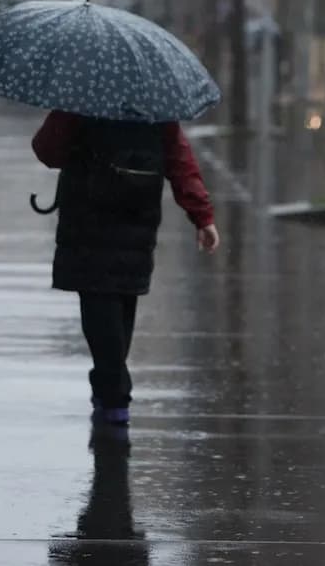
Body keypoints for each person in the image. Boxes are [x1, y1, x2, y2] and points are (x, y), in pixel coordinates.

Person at [32, 111, 219, 426]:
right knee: (120, 308)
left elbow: (48, 151)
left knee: (100, 311)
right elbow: (179, 159)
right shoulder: (155, 107)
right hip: (135, 219)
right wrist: (202, 215)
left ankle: (113, 393)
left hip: (89, 222)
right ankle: (112, 391)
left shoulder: (81, 99)